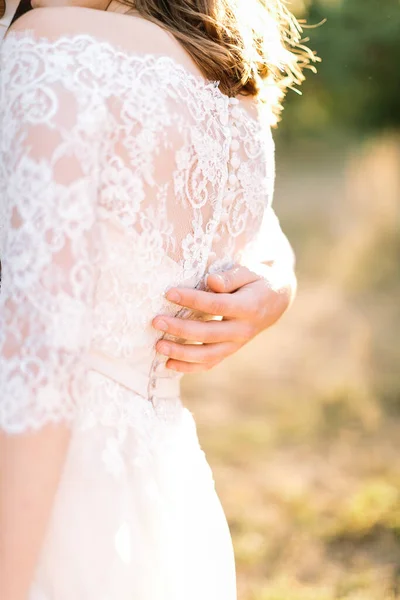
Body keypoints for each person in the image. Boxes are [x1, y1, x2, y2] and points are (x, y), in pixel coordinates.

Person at [0, 1, 312, 598]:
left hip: (37, 489)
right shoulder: (214, 68)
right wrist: (280, 279)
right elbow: (262, 231)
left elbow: (39, 361)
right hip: (156, 489)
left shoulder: (54, 45)